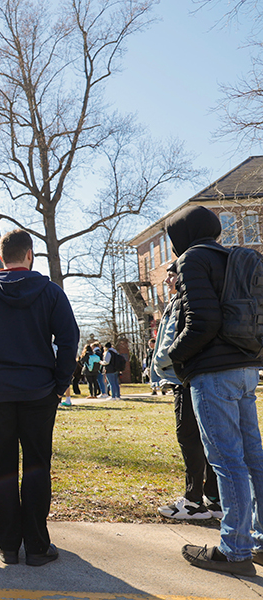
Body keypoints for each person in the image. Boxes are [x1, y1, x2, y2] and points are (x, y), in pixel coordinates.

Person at [0, 229, 78, 567]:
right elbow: (69, 341)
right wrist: (59, 382)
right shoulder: (51, 292)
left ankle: (8, 545)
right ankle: (37, 546)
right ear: (30, 255)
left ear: (1, 258)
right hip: (40, 389)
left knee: (3, 465)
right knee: (38, 465)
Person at [164, 206, 263, 576]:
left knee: (227, 461)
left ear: (182, 236)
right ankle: (258, 540)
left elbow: (203, 321)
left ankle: (234, 550)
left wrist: (176, 356)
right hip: (245, 368)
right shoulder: (234, 257)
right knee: (253, 458)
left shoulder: (193, 259)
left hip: (213, 374)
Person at [152, 261, 220, 521]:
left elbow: (171, 339)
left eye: (171, 276)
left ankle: (193, 500)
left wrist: (160, 363)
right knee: (206, 439)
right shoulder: (194, 299)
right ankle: (214, 499)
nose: (168, 281)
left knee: (189, 438)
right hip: (196, 376)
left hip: (184, 379)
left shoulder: (181, 302)